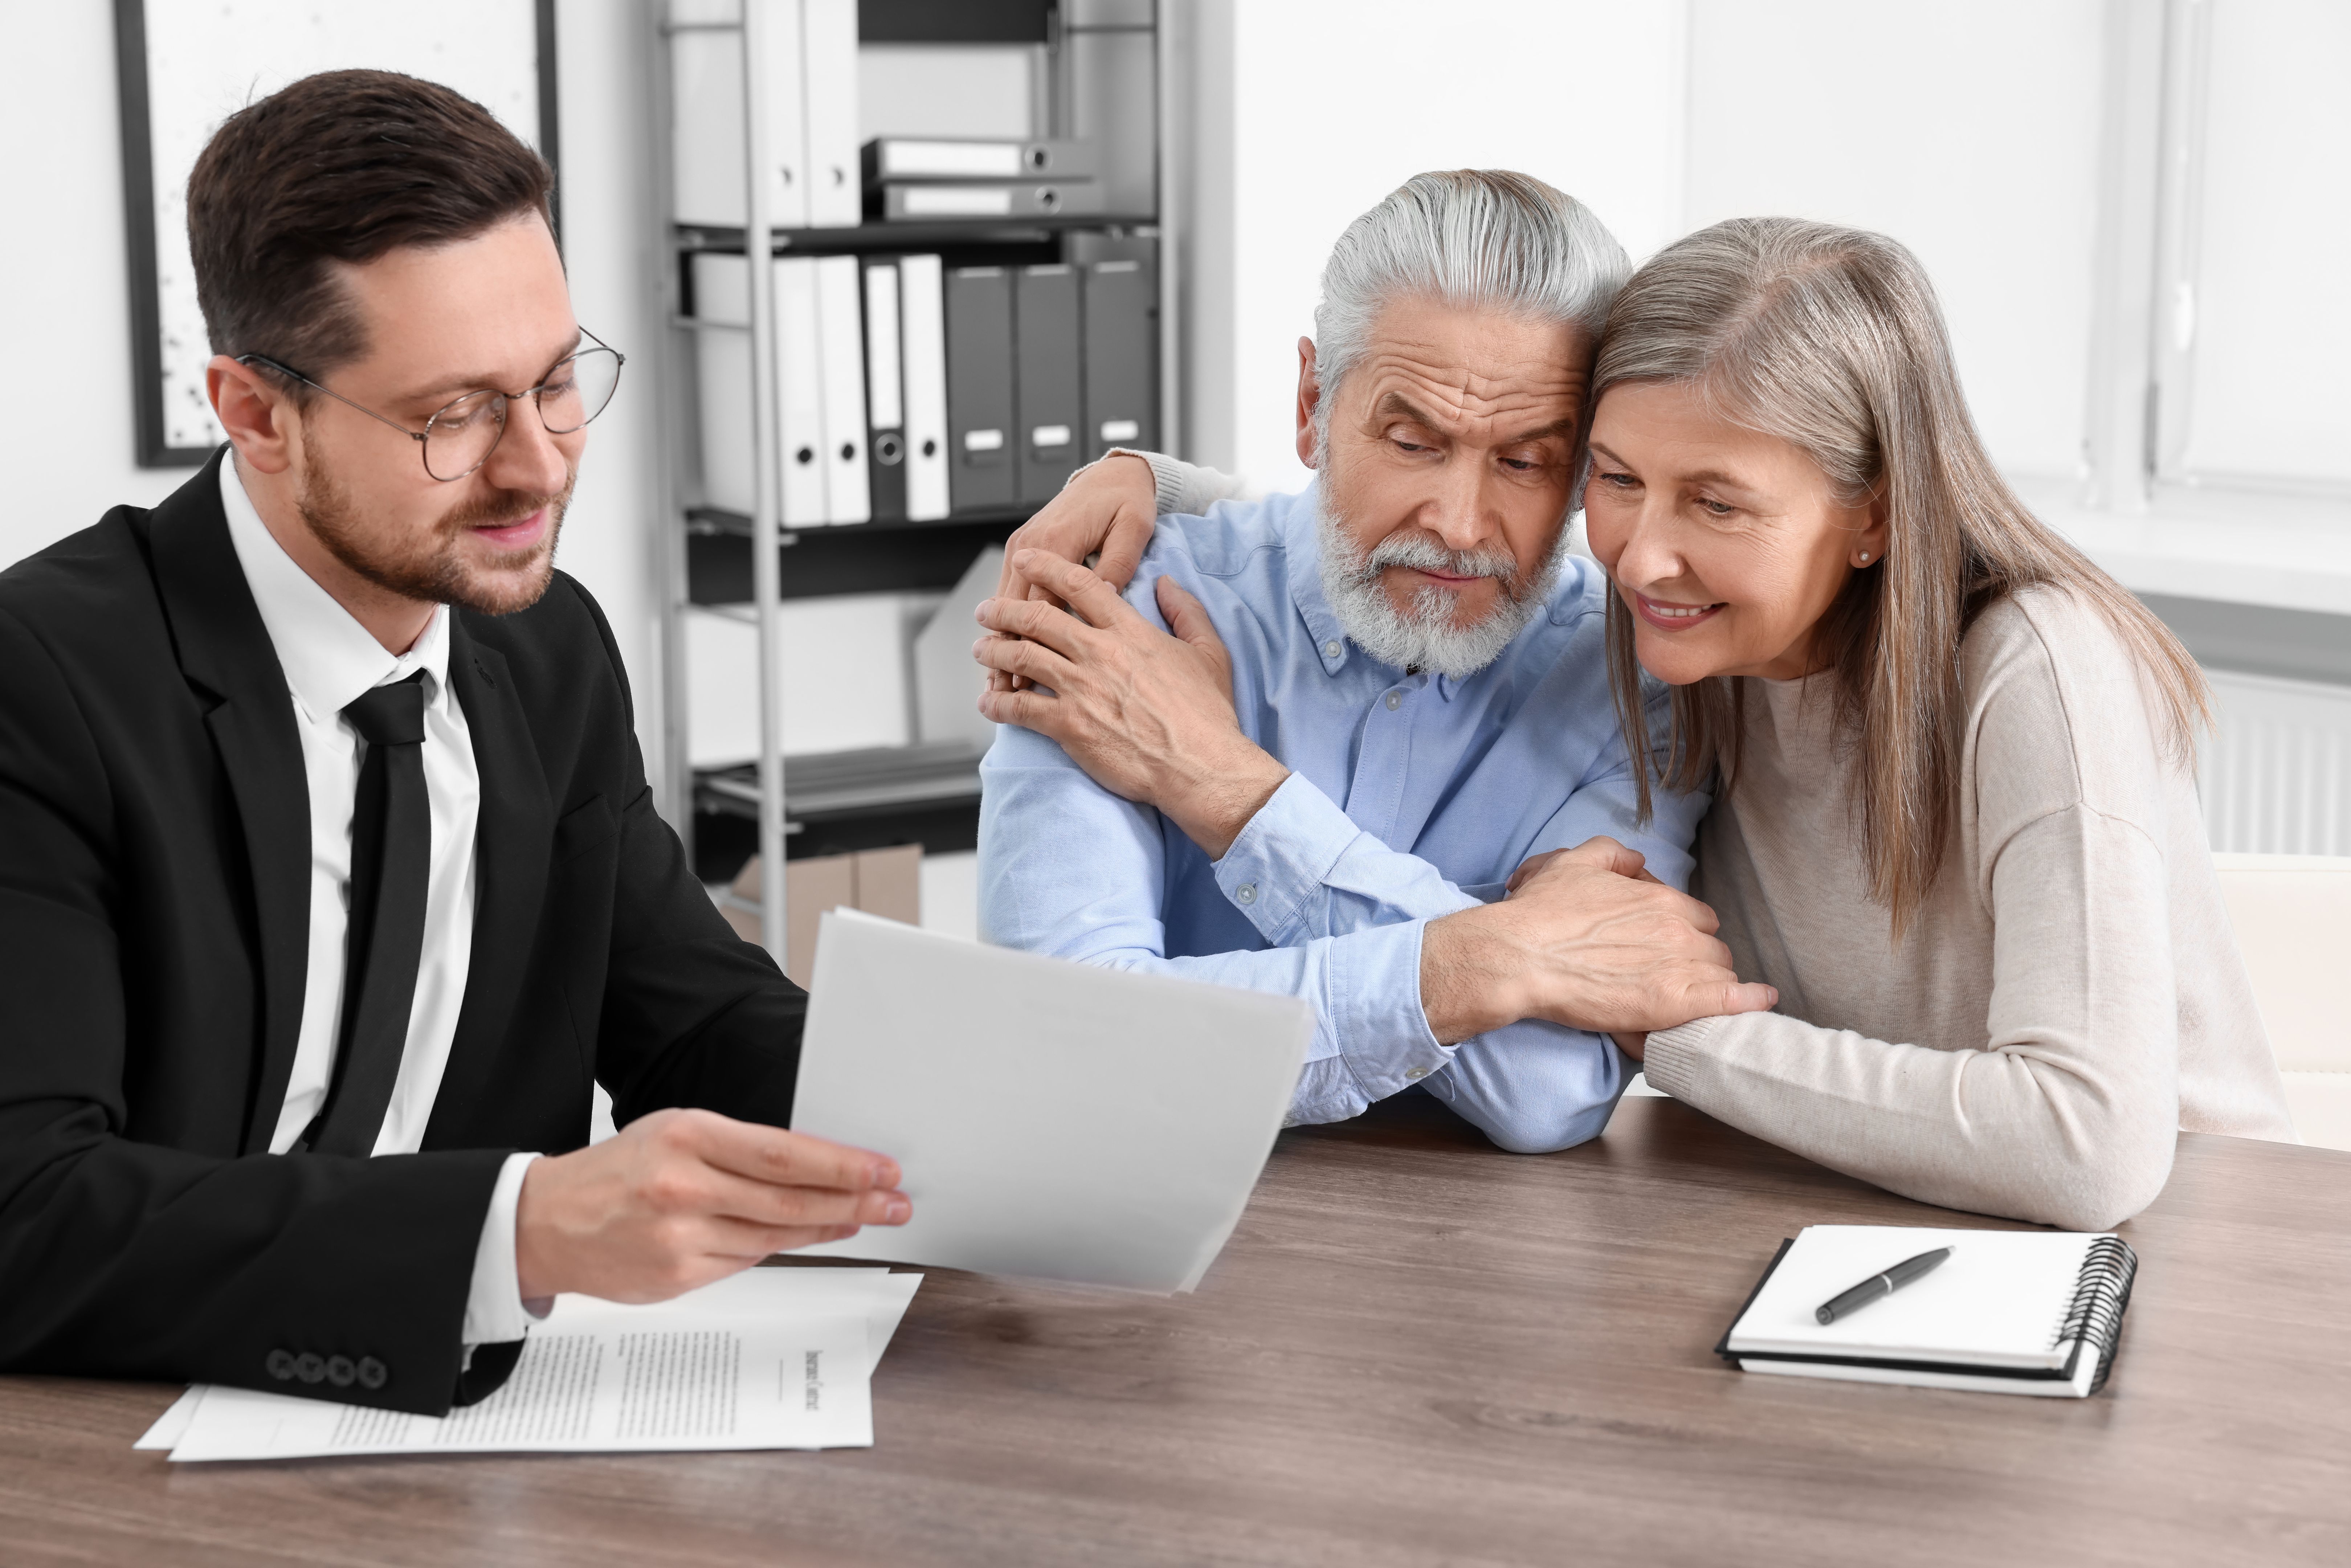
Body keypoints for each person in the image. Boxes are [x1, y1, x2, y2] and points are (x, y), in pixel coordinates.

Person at [993, 217, 2297, 1231]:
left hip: (2187, 1252)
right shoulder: (1682, 651)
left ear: (1879, 514)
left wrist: (1623, 1006)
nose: (1643, 555)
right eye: (1615, 481)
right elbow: (1430, 519)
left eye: (1717, 504)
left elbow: (2088, 1146)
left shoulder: (2035, 669)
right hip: (1828, 1217)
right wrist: (1157, 489)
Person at [0, 70, 908, 1417]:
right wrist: (522, 1231)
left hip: (461, 1429)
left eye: (554, 383)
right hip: (111, 1434)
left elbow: (690, 1020)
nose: (540, 466)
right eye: (454, 414)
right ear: (255, 414)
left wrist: (965, 1124)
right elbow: (29, 1213)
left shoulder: (545, 652)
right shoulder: (44, 681)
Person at [973, 172, 1775, 1156]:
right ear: (1312, 403)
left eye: (1525, 461)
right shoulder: (1115, 613)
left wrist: (1236, 795)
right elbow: (1064, 1044)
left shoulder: (1634, 686)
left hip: (1474, 1278)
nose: (1459, 522)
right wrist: (1488, 963)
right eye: (1412, 441)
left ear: (1581, 473)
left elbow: (1553, 1089)